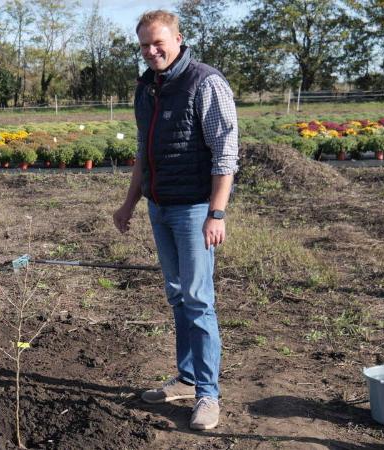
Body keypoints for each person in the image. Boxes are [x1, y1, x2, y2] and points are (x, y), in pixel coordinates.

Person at [113, 10, 238, 431]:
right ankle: (186, 376)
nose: (151, 51)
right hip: (159, 206)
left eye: (158, 43)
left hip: (194, 209)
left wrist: (216, 212)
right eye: (144, 45)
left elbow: (225, 152)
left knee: (199, 299)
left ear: (179, 40)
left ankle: (208, 394)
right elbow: (143, 153)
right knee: (177, 294)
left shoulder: (205, 82)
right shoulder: (147, 88)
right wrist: (130, 203)